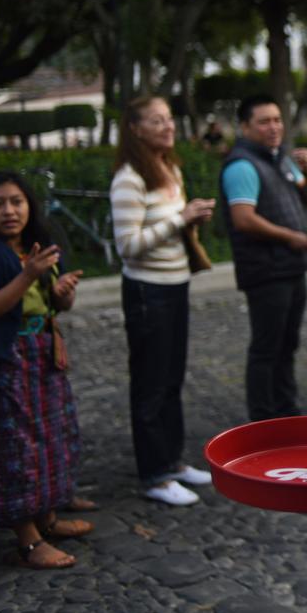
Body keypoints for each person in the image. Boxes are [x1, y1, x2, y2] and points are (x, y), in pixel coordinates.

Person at [0, 172, 89, 568]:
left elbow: (53, 305)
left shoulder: (35, 244)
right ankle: (28, 540)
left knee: (50, 436)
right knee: (14, 446)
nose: (9, 211)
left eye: (17, 202)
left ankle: (48, 517)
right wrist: (27, 275)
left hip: (42, 351)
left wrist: (62, 294)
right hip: (4, 359)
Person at [110, 97, 217, 506]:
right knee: (151, 382)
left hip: (176, 284)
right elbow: (128, 246)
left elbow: (168, 229)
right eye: (156, 120)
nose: (167, 126)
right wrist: (180, 219)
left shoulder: (169, 168)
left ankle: (171, 461)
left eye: (169, 118)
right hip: (146, 290)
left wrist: (189, 220)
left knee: (172, 377)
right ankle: (153, 473)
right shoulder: (129, 178)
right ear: (135, 128)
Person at [220, 94, 307, 422]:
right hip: (266, 271)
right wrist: (290, 236)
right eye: (264, 121)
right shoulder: (242, 165)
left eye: (277, 120)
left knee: (287, 345)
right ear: (246, 126)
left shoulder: (281, 159)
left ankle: (286, 412)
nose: (273, 127)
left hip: (291, 268)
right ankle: (263, 418)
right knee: (266, 348)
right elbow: (243, 219)